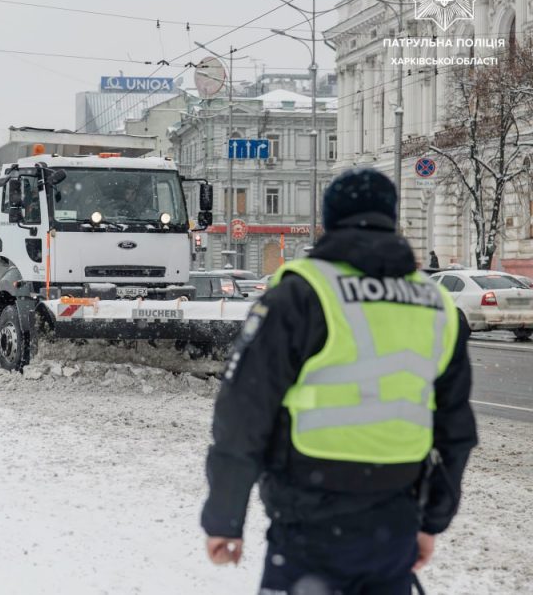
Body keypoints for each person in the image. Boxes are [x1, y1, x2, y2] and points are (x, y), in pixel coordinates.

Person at [202, 167, 477, 594]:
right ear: (392, 219)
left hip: (309, 520)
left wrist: (225, 518)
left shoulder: (301, 294)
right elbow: (455, 429)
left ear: (329, 221)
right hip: (395, 520)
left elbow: (243, 411)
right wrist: (430, 522)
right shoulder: (437, 305)